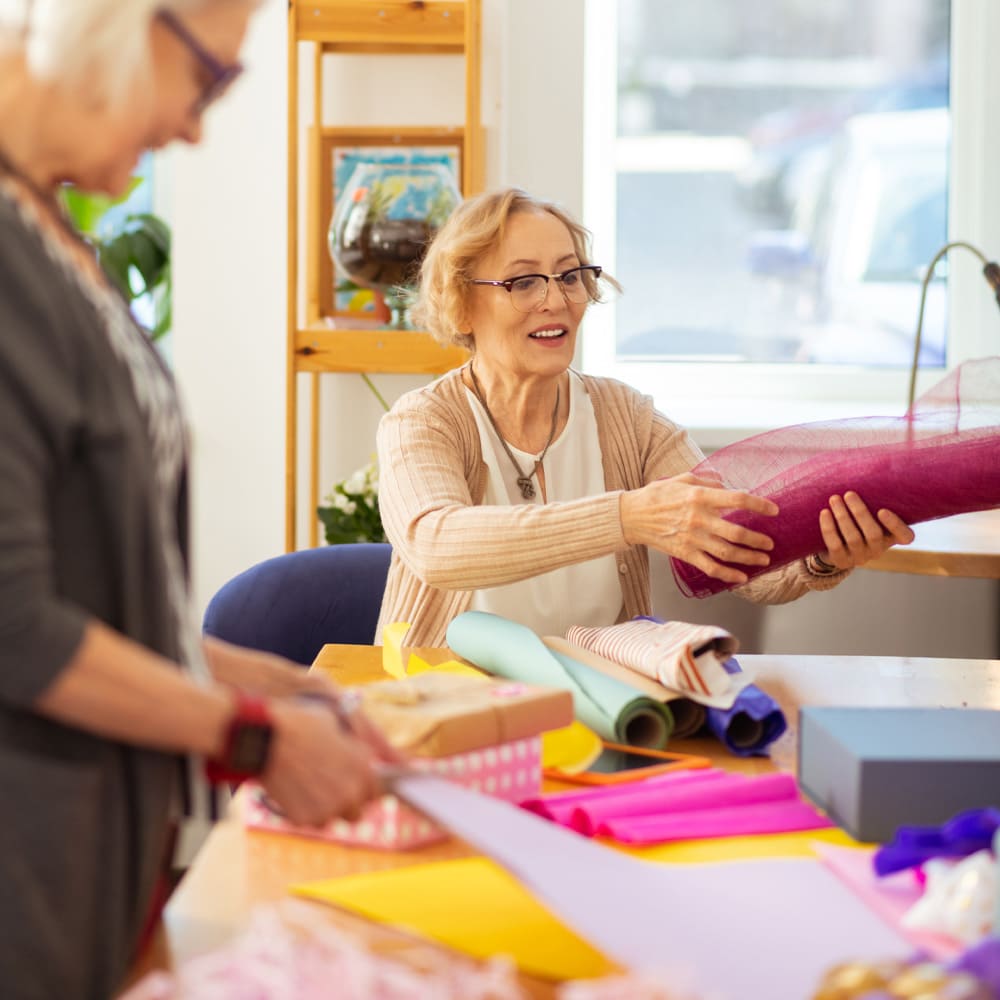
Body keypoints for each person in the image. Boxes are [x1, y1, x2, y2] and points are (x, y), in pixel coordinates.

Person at [0, 3, 393, 997]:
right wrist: (247, 734)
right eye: (209, 80)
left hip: (92, 846)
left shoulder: (46, 229)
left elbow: (95, 592)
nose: (194, 127)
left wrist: (270, 683)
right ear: (119, 25)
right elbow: (14, 623)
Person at [375, 187, 915, 646]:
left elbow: (740, 553)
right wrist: (629, 517)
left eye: (570, 276)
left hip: (597, 709)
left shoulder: (625, 419)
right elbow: (435, 546)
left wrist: (822, 557)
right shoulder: (422, 422)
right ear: (461, 304)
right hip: (446, 712)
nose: (557, 301)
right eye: (523, 282)